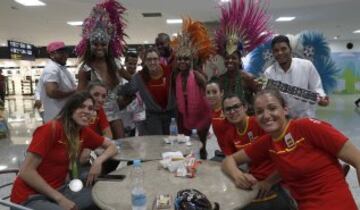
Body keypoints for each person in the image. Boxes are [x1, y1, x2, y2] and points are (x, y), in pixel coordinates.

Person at [222, 88, 360, 210]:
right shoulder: (268, 142)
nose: (266, 115)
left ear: (285, 109)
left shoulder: (307, 127)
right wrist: (238, 175)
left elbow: (357, 159)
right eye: (259, 112)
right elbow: (228, 160)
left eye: (272, 108)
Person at [10, 92, 118, 210]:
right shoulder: (51, 129)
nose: (87, 111)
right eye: (81, 106)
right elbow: (26, 171)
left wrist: (98, 161)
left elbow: (112, 146)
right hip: (29, 197)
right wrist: (60, 199)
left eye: (90, 108)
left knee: (103, 197)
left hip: (59, 190)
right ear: (71, 109)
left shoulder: (83, 132)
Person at [221, 94, 293, 210]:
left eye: (236, 106)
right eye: (228, 109)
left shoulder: (262, 124)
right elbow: (227, 161)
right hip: (255, 182)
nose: (232, 111)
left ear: (245, 107)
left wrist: (268, 182)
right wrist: (239, 176)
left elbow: (288, 160)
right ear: (224, 113)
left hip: (277, 184)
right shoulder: (230, 134)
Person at [76, 0, 130, 139]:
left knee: (121, 145)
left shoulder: (116, 64)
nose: (99, 47)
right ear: (89, 45)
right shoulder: (86, 69)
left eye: (103, 44)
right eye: (95, 44)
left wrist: (127, 98)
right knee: (99, 148)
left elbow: (134, 80)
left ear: (108, 45)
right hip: (94, 115)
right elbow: (79, 97)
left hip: (115, 113)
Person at [214, 0, 272, 109]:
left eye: (233, 58)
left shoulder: (248, 78)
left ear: (240, 60)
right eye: (227, 58)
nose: (230, 61)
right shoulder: (220, 79)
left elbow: (261, 96)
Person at [171, 18, 214, 159]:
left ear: (191, 60)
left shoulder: (197, 74)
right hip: (184, 114)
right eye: (180, 59)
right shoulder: (176, 76)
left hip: (202, 112)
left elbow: (208, 92)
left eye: (186, 59)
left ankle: (203, 163)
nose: (183, 61)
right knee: (185, 145)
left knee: (202, 145)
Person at [264, 35, 329, 118]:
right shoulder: (269, 73)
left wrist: (321, 97)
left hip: (306, 117)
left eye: (283, 49)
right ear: (273, 53)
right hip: (283, 121)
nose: (280, 53)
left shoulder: (306, 66)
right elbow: (271, 97)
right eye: (276, 50)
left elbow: (316, 87)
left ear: (290, 49)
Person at [122, 48, 175, 135]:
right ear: (145, 61)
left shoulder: (169, 71)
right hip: (153, 117)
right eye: (149, 59)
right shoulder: (139, 77)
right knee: (157, 144)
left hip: (171, 115)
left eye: (155, 59)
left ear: (159, 60)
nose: (152, 62)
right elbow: (128, 90)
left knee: (172, 143)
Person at [39, 41, 76, 122]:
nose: (66, 55)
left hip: (63, 114)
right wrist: (73, 92)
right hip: (56, 116)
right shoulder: (51, 69)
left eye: (66, 52)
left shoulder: (60, 68)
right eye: (61, 53)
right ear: (52, 55)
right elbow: (51, 92)